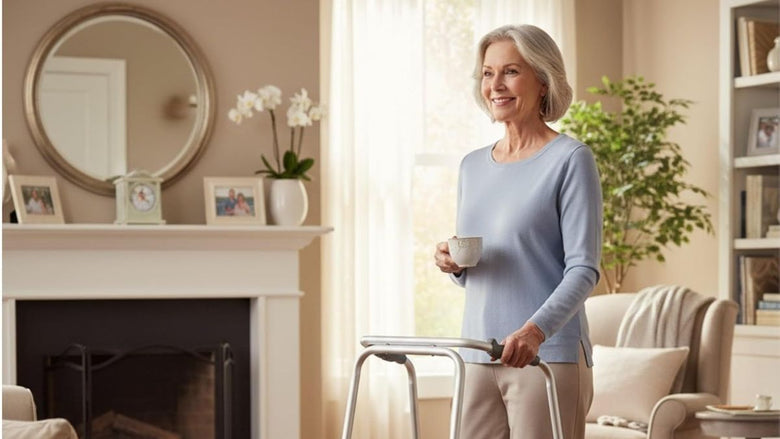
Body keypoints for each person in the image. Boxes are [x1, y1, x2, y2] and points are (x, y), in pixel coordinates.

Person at [433, 24, 602, 439]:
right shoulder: (472, 166)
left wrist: (535, 331)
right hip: (475, 354)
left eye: (511, 71)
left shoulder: (570, 159)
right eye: (488, 74)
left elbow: (583, 269)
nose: (496, 85)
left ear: (542, 81)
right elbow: (490, 266)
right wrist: (455, 265)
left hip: (546, 356)